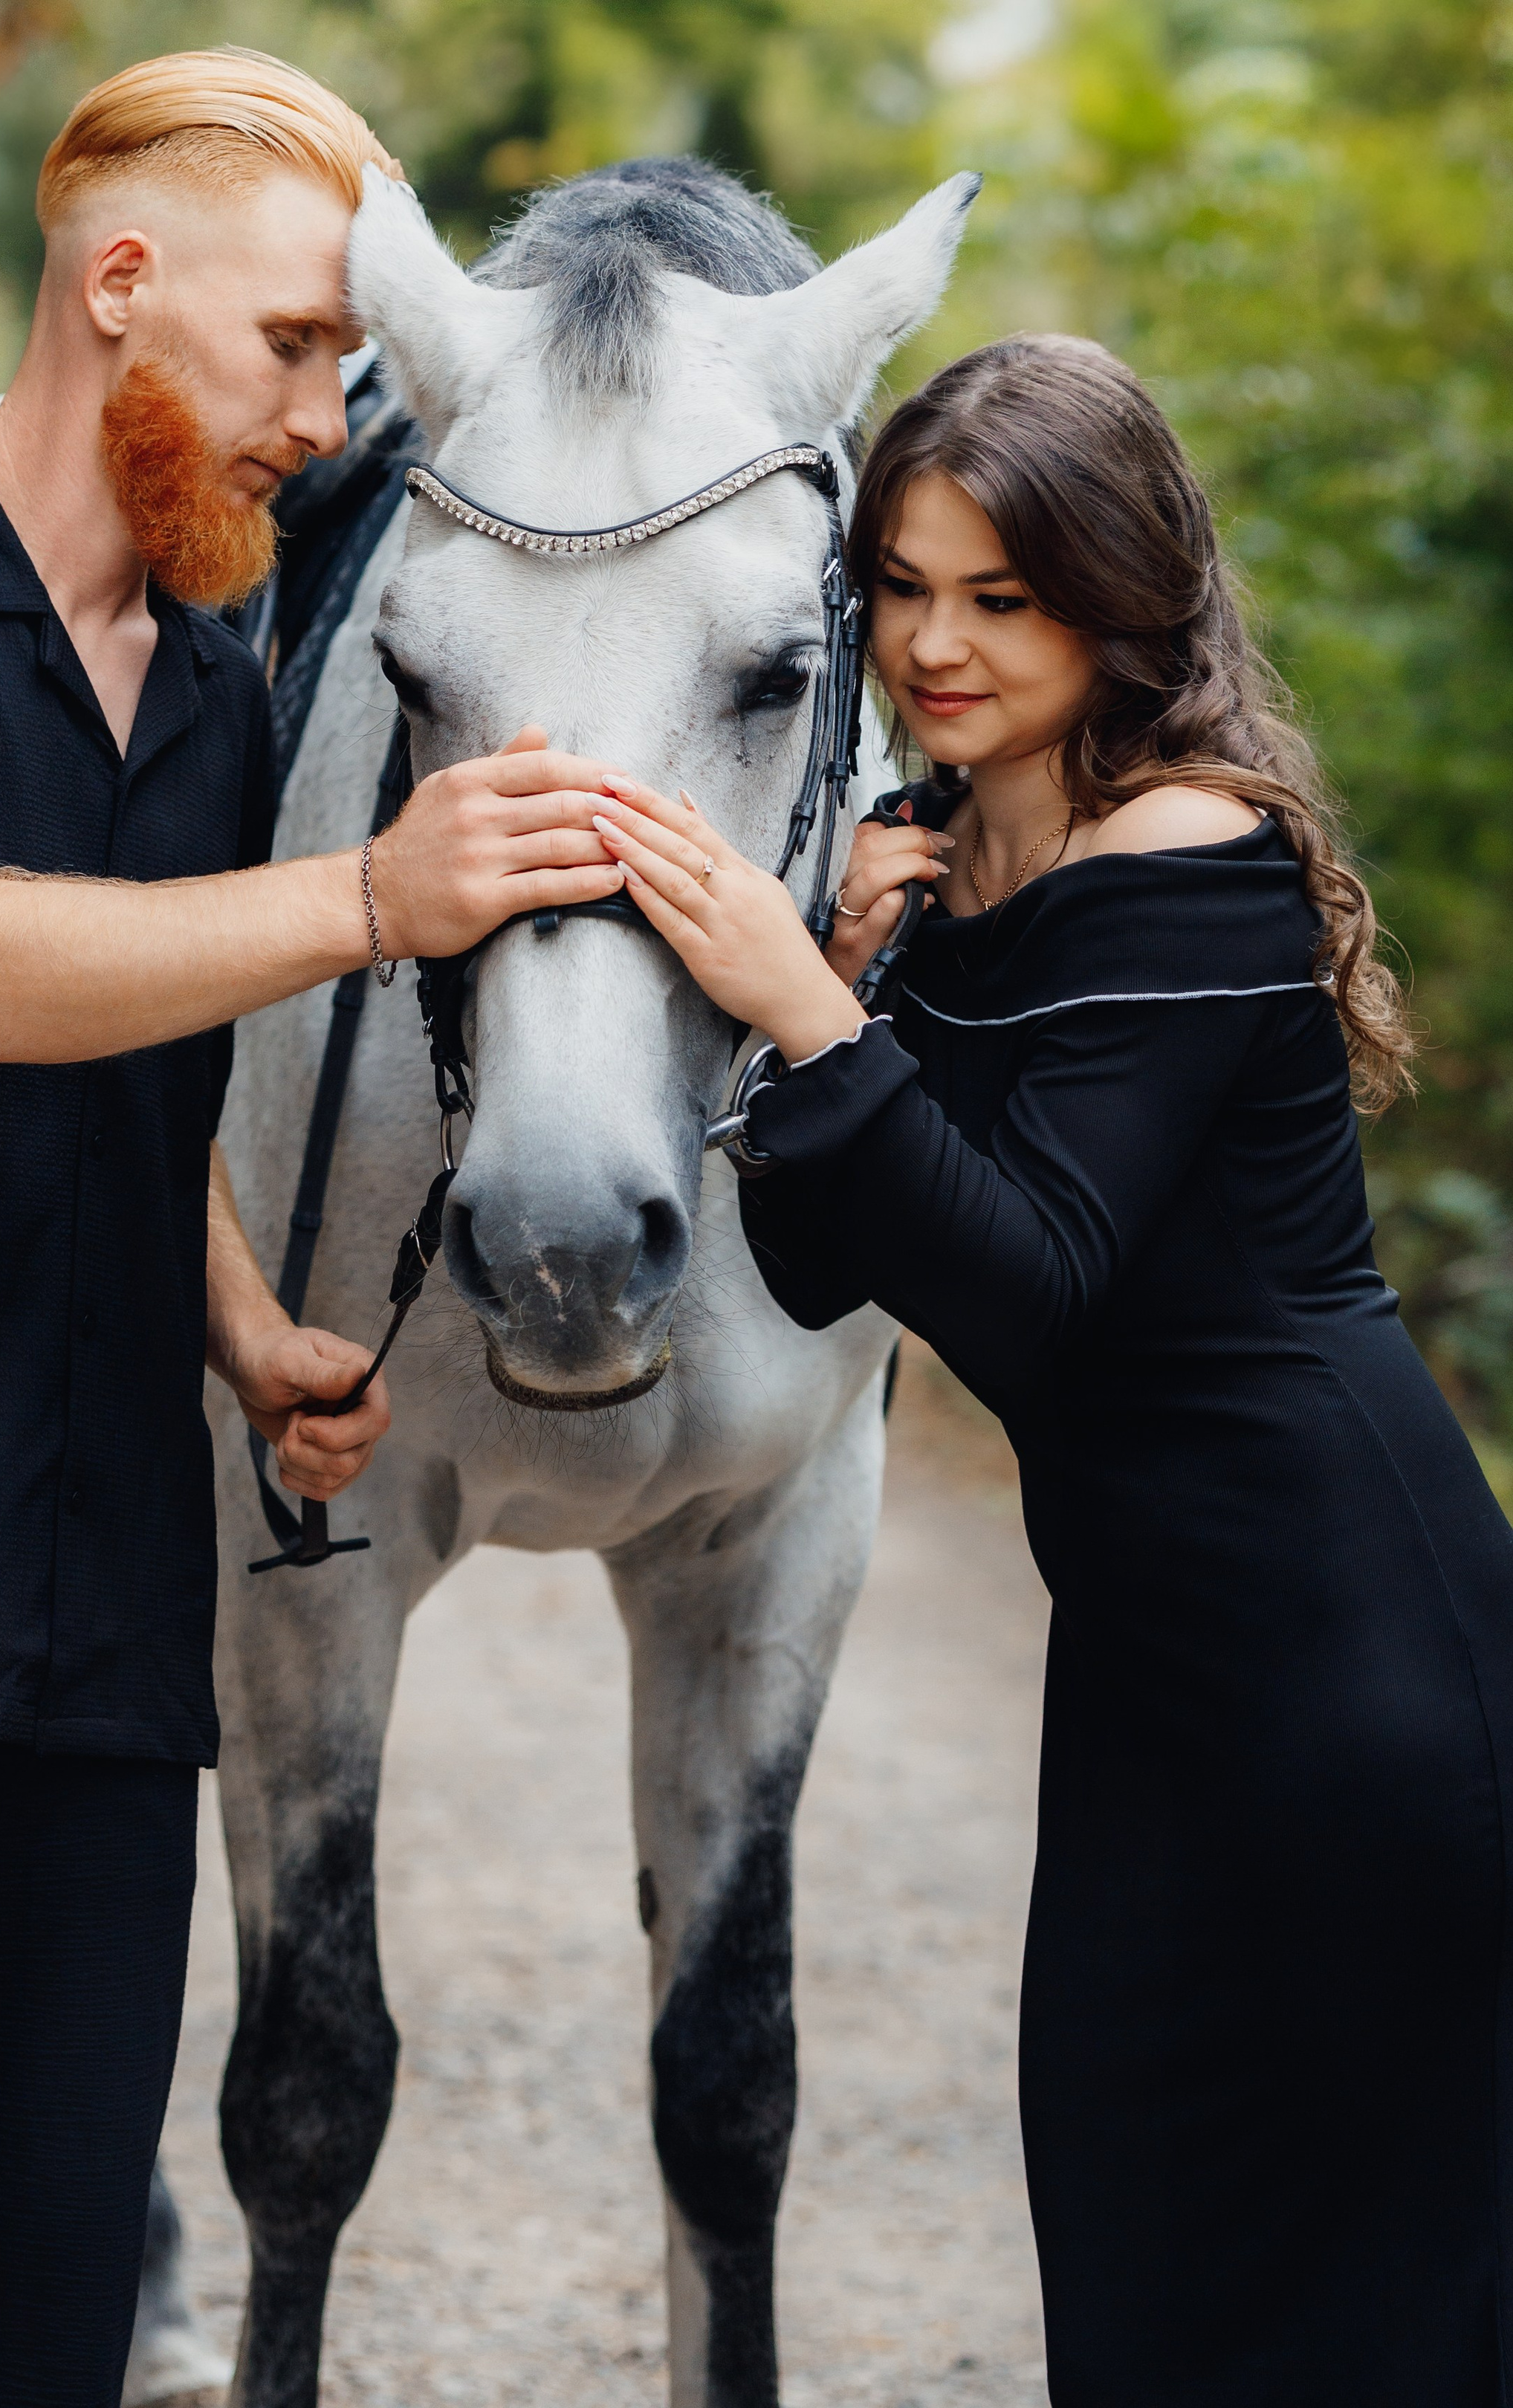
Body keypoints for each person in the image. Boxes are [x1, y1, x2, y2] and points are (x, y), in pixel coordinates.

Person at [0, 47, 624, 2407]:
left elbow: (126, 1063)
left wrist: (246, 1324)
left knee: (38, 2348)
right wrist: (370, 896)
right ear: (120, 285)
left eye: (347, 368)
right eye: (295, 346)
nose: (321, 419)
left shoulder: (219, 695)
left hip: (81, 1680)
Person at [588, 332, 1513, 2406]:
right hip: (1150, 1678)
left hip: (1349, 1658)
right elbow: (817, 1268)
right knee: (1134, 2258)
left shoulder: (1192, 855)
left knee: (1362, 2310)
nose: (936, 645)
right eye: (903, 588)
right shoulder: (937, 861)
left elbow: (1030, 1291)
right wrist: (840, 975)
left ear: (1121, 597)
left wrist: (811, 1019)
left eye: (1002, 597)